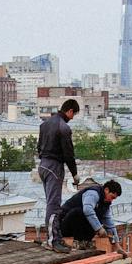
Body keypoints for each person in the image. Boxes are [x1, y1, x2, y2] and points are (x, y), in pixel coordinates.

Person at [36, 97, 81, 251]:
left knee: (51, 203)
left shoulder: (45, 124)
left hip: (43, 166)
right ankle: (52, 241)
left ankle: (55, 237)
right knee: (54, 205)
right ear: (69, 111)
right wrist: (75, 174)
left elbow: (38, 148)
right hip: (54, 167)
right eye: (73, 114)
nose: (72, 118)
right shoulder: (64, 128)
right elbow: (69, 155)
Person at [55, 178, 124, 252]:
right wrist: (99, 228)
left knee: (97, 218)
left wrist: (116, 244)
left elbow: (109, 223)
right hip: (64, 225)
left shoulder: (105, 203)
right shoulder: (93, 193)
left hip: (77, 228)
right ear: (106, 190)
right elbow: (87, 210)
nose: (111, 200)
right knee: (80, 212)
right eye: (112, 197)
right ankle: (79, 241)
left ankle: (86, 242)